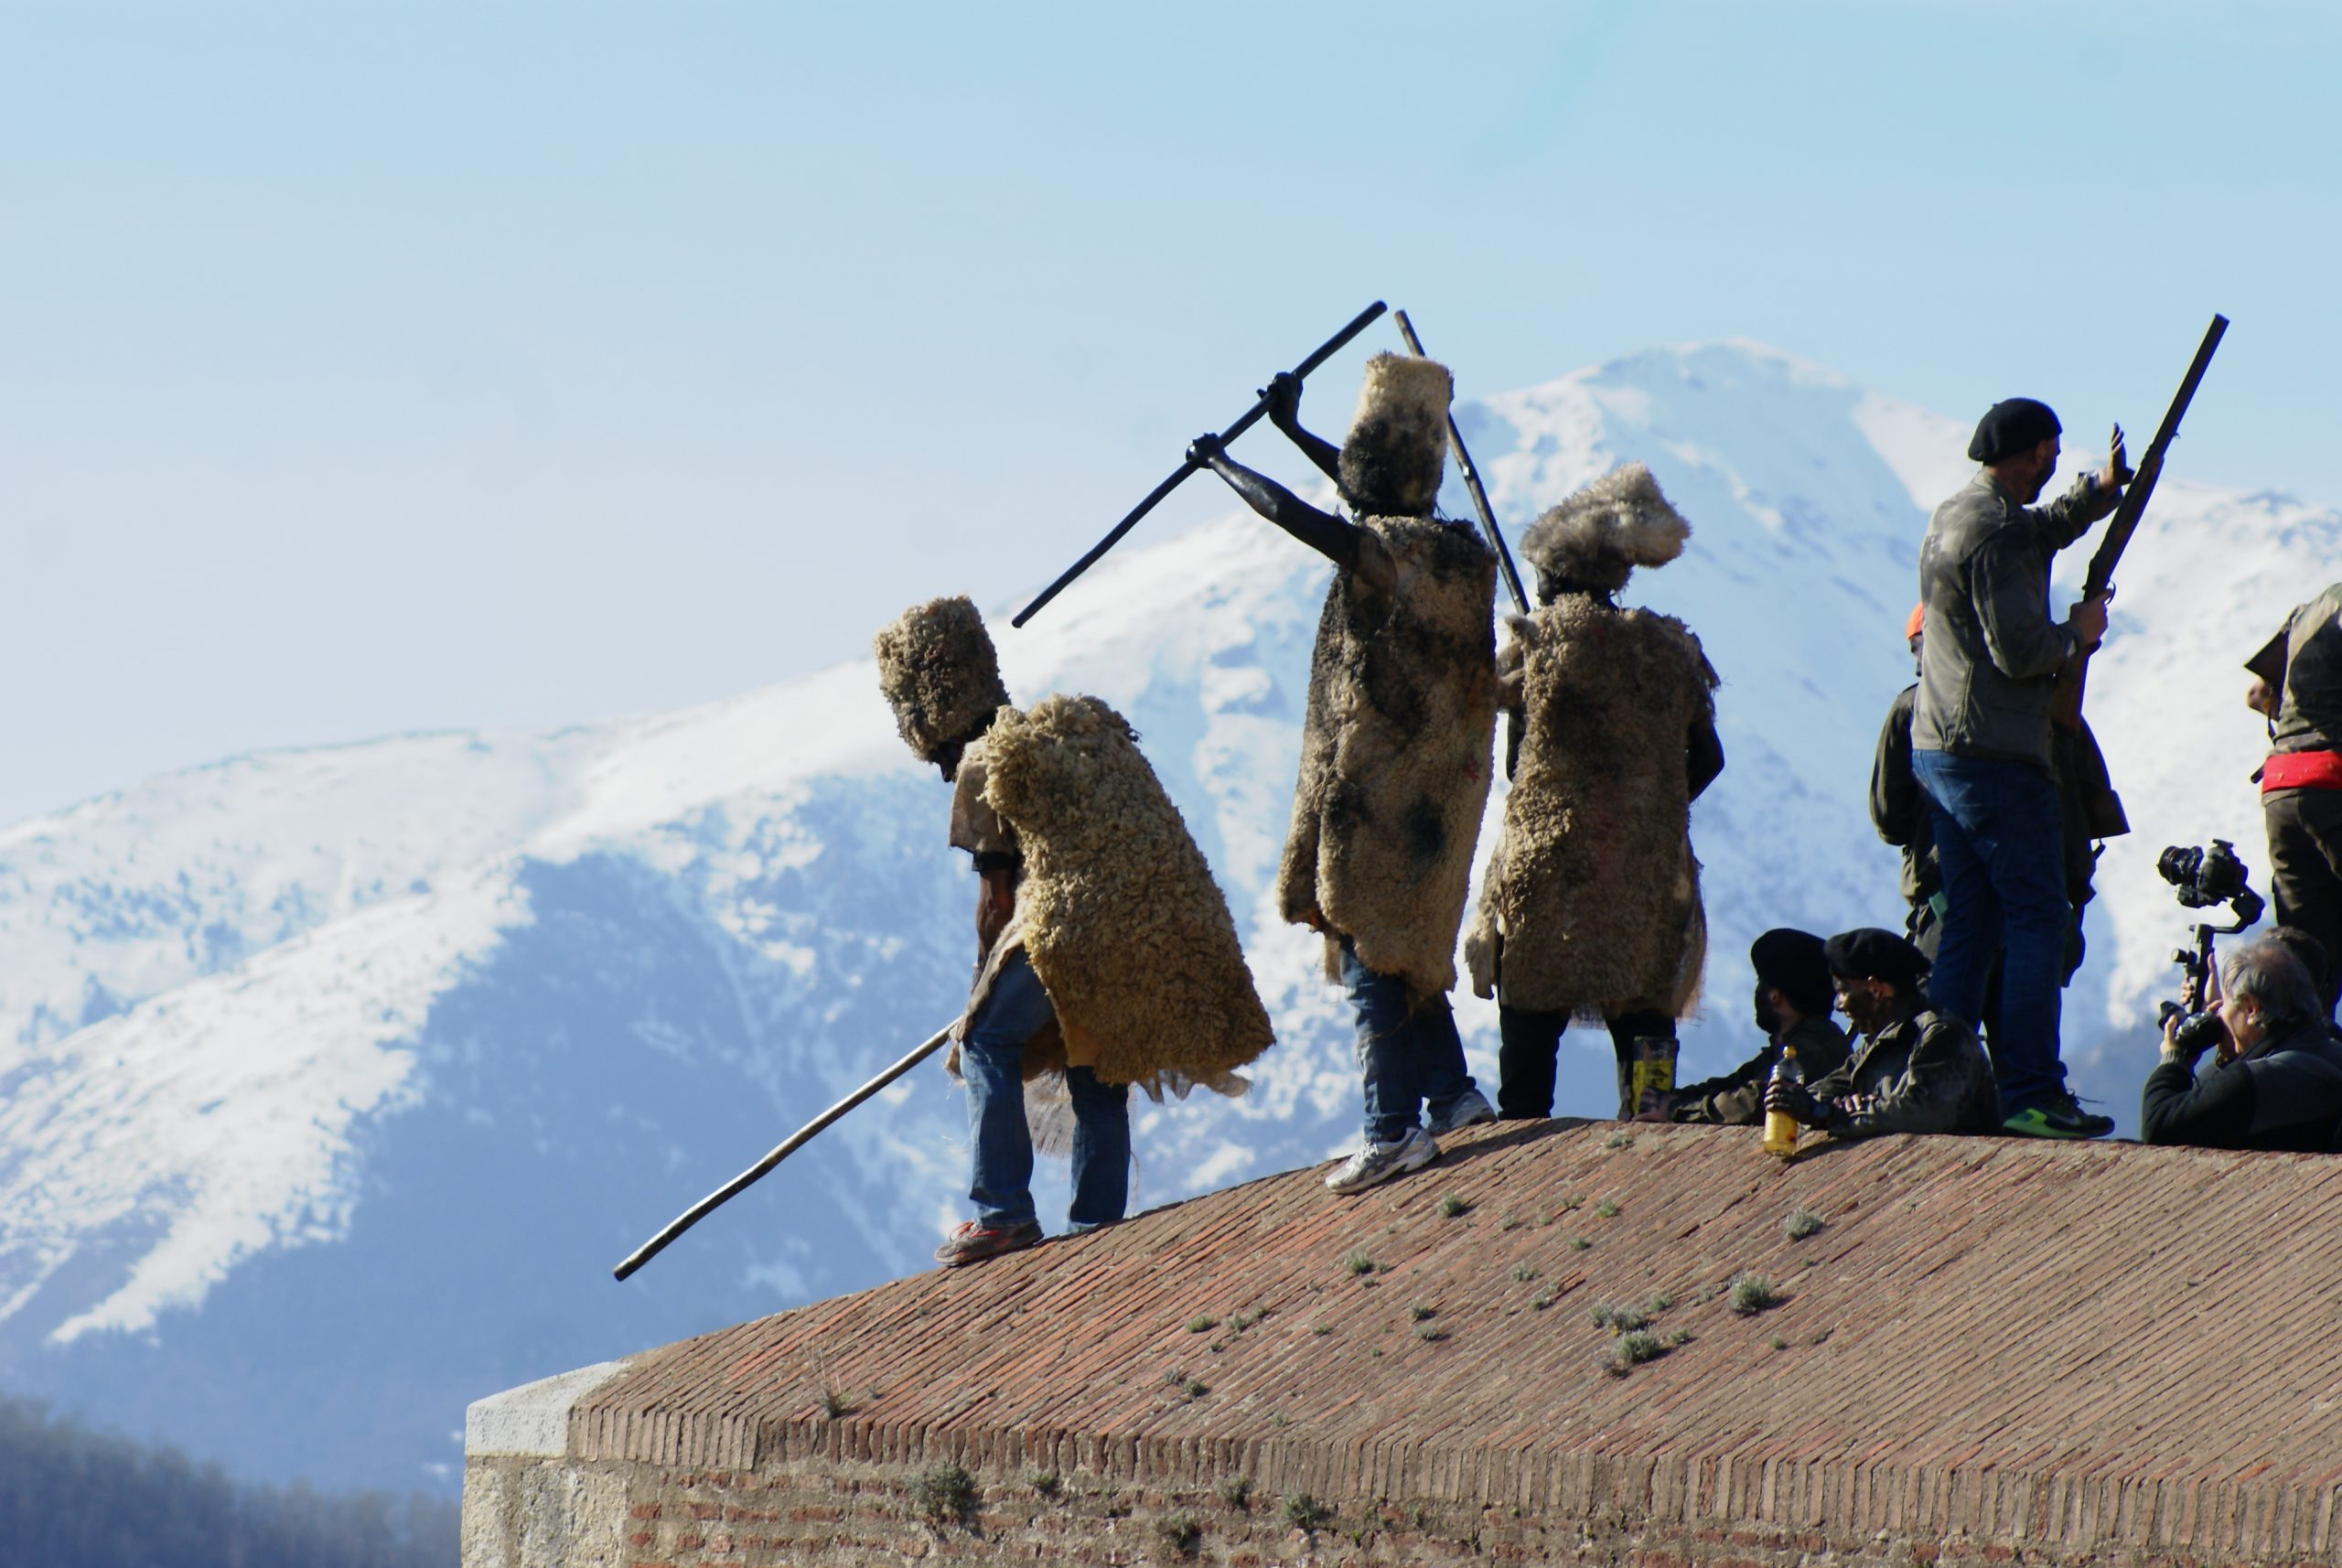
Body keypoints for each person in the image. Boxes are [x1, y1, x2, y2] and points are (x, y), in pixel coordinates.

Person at [874, 597, 1273, 1262]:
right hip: (1151, 921)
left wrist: (979, 990)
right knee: (1096, 1059)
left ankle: (1002, 1213)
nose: (944, 773)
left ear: (931, 728)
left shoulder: (983, 761)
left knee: (984, 1043)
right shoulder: (1066, 735)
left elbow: (998, 901)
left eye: (937, 759)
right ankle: (1097, 1226)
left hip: (1077, 926)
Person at [1189, 354, 1498, 1193]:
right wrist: (1291, 429)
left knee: (1369, 952)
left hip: (1382, 798)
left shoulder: (1389, 559)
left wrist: (1224, 464)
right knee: (1401, 950)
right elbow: (1368, 503)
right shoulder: (1457, 555)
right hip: (1436, 793)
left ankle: (1391, 1130)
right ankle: (1454, 1094)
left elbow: (1304, 518)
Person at [1461, 464, 1723, 1120]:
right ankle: (1655, 1137)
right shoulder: (1671, 646)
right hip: (1647, 869)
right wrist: (1653, 807)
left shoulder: (1538, 642)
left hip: (1550, 872)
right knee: (1645, 1009)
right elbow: (1710, 758)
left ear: (1558, 572)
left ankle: (1521, 1142)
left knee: (1531, 1016)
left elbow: (1522, 763)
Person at [1912, 397, 2132, 1139]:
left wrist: (2096, 496)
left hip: (1942, 746)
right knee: (2037, 917)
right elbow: (2021, 650)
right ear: (2036, 450)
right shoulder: (1999, 530)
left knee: (1971, 920)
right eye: (2053, 454)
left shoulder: (1958, 513)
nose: (2052, 466)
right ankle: (2030, 1091)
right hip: (1997, 754)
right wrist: (2079, 634)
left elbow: (2037, 532)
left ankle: (1934, 1082)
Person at [1873, 603, 2124, 1040]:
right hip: (2036, 903)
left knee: (1939, 1045)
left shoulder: (1912, 710)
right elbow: (2092, 806)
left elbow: (1889, 819)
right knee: (2022, 1057)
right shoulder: (2044, 709)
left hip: (1946, 910)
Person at [1763, 928, 2002, 1140]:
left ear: (1875, 989)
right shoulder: (1874, 1048)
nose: (1839, 1005)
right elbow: (1821, 1092)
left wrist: (1827, 1113)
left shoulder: (1941, 1036)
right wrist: (1810, 1104)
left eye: (1844, 991)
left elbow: (1921, 1113)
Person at [2142, 937, 2342, 1151]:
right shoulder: (2329, 1045)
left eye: (2224, 1003)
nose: (2217, 1011)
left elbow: (2159, 1124)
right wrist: (2230, 1049)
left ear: (2251, 1008)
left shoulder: (2251, 1083)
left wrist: (2175, 1059)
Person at [2245, 584, 2342, 1015]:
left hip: (2280, 786)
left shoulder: (2308, 610)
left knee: (2306, 956)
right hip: (2333, 781)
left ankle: (2296, 1053)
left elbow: (2256, 695)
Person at [1654, 929, 1851, 1125]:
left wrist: (1676, 1110)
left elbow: (1757, 1100)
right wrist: (1672, 1099)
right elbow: (1733, 1084)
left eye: (1760, 982)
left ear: (1775, 996)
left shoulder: (1813, 1049)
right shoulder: (1791, 1044)